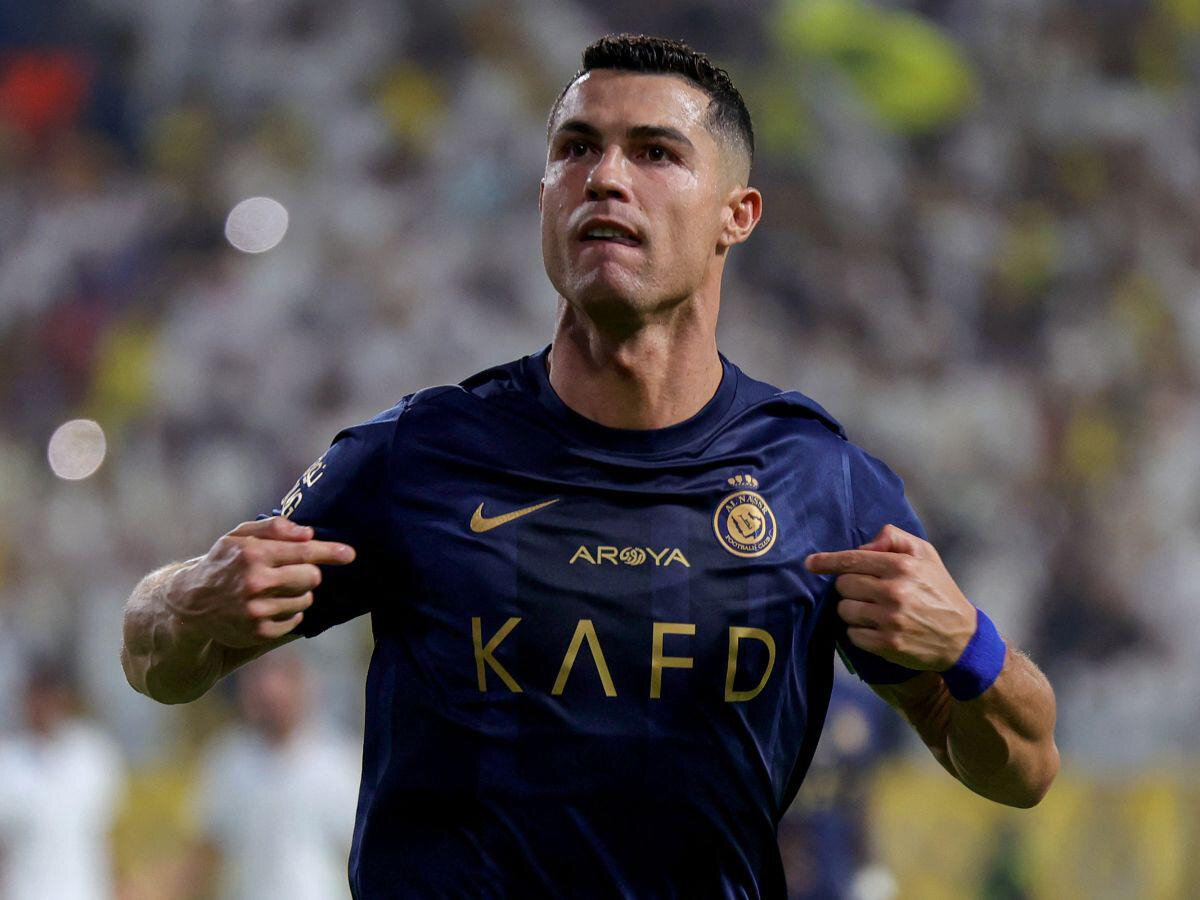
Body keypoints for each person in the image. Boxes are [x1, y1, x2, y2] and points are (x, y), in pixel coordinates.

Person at [120, 33, 1058, 898]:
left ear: (736, 215)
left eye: (655, 153)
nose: (606, 177)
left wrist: (969, 646)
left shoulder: (818, 481)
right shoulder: (418, 454)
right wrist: (188, 601)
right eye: (576, 149)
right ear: (544, 201)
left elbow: (1023, 768)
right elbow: (154, 659)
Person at [185, 650, 360, 900]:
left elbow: (360, 852)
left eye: (282, 676)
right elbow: (206, 852)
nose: (269, 690)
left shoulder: (339, 760)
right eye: (257, 677)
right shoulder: (226, 761)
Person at [0, 658, 125, 900]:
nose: (43, 705)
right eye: (37, 695)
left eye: (50, 695)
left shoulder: (94, 752)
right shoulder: (7, 761)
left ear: (65, 698)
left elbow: (109, 835)